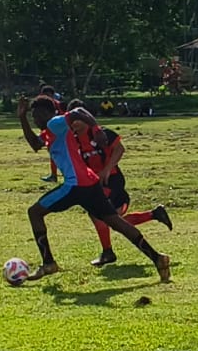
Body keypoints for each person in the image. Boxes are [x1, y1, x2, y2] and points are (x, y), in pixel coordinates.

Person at [18, 95, 171, 282]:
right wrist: (22, 117)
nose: (35, 120)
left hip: (75, 185)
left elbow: (77, 112)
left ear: (45, 113)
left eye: (35, 115)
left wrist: (96, 129)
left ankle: (49, 263)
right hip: (89, 183)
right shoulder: (49, 132)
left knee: (34, 212)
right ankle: (158, 258)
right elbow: (35, 144)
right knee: (116, 222)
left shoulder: (55, 123)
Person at [67, 99, 174, 267]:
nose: (74, 123)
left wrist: (107, 169)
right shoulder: (73, 141)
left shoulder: (101, 134)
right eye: (71, 119)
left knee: (99, 215)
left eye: (78, 118)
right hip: (95, 184)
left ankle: (108, 253)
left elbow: (120, 148)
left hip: (112, 180)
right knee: (114, 221)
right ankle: (154, 214)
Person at [38, 85, 63, 182]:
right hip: (48, 132)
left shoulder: (57, 104)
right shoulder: (41, 105)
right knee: (53, 153)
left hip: (57, 132)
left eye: (48, 95)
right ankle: (54, 175)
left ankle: (56, 175)